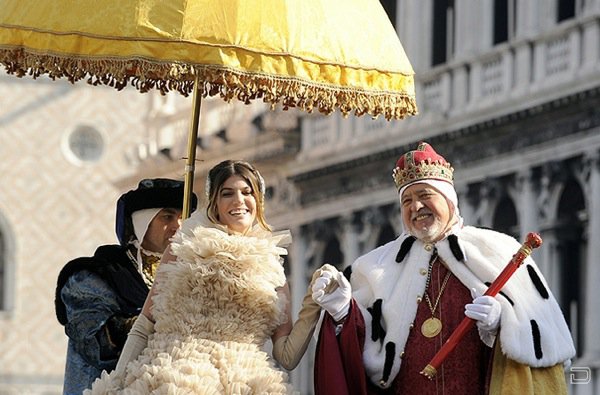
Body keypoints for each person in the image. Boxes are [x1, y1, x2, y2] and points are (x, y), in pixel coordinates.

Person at [311, 142, 576, 394]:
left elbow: (539, 331)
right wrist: (343, 313)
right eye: (407, 201)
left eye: (425, 195)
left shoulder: (498, 251)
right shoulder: (376, 267)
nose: (416, 206)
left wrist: (502, 321)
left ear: (449, 201)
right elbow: (364, 350)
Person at [85, 160, 325, 394]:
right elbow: (144, 325)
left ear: (258, 200)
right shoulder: (184, 246)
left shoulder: (273, 268)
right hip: (177, 375)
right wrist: (117, 381)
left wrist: (313, 303)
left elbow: (287, 356)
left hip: (244, 384)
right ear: (215, 203)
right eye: (227, 193)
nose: (239, 201)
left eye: (247, 192)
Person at [55, 178, 197, 395]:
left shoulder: (188, 275)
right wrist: (161, 320)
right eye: (167, 217)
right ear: (142, 222)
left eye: (182, 218)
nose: (178, 226)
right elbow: (98, 345)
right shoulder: (91, 277)